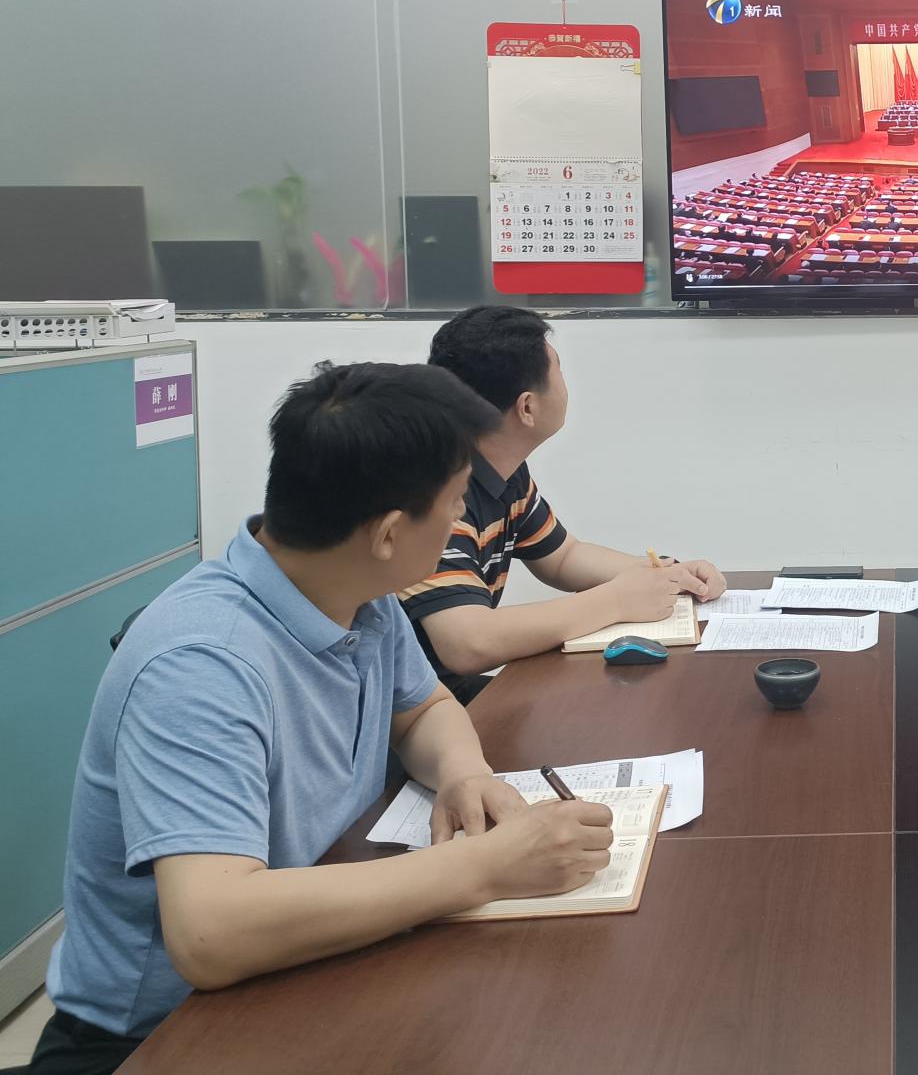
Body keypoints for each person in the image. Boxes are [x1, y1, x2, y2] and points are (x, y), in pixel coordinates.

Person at [11, 364, 614, 1075]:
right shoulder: (201, 665)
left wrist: (464, 773)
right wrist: (484, 867)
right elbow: (211, 933)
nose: (461, 520)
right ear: (388, 534)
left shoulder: (357, 589)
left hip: (303, 967)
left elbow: (423, 708)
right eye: (455, 502)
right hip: (161, 1038)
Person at [406, 306, 725, 702]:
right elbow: (468, 642)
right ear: (527, 407)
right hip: (406, 708)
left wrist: (667, 573)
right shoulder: (432, 490)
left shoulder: (503, 471)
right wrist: (616, 601)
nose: (565, 384)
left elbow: (562, 557)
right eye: (558, 370)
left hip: (435, 694)